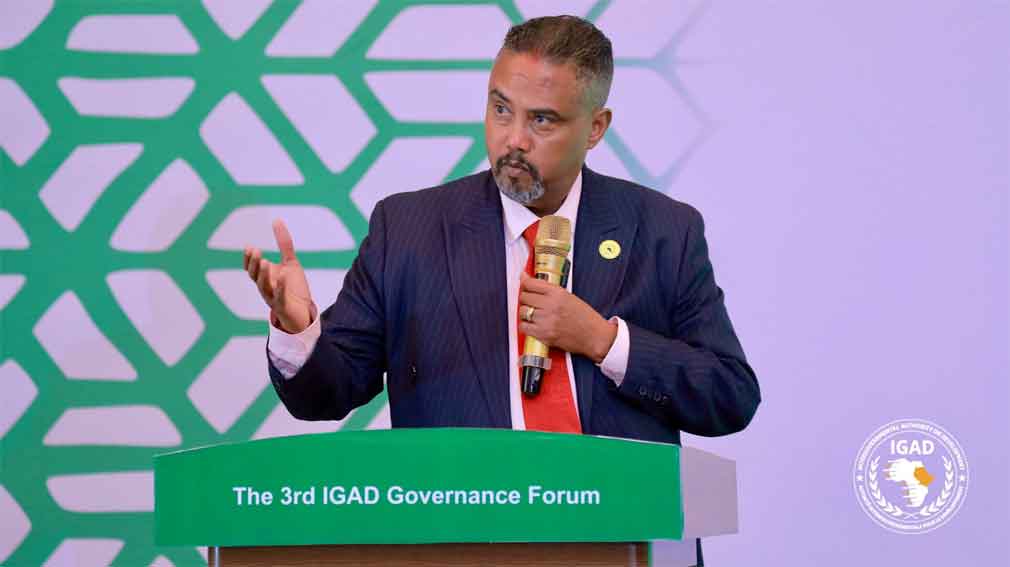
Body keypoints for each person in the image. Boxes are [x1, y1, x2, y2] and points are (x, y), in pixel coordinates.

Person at [244, 15, 759, 451]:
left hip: (616, 526)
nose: (514, 139)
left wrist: (604, 341)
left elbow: (731, 396)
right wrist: (298, 329)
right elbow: (325, 395)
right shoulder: (407, 230)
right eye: (501, 109)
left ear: (595, 128)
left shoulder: (664, 230)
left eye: (542, 121)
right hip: (464, 523)